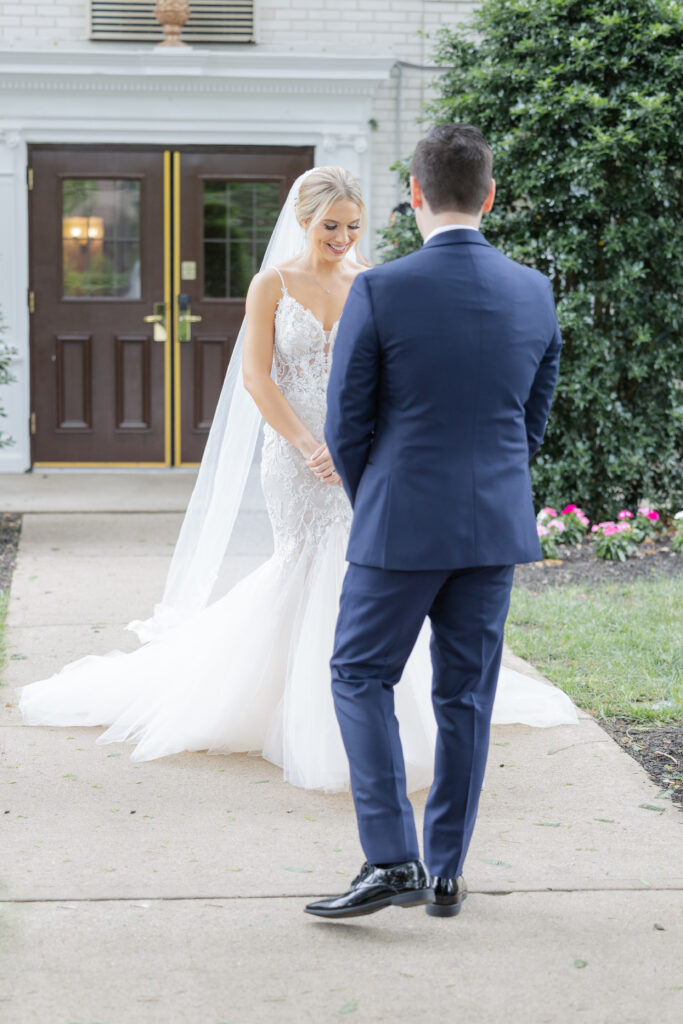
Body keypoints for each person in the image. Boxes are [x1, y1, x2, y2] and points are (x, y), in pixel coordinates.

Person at [18, 163, 576, 794]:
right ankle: (295, 707)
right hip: (295, 453)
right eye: (329, 225)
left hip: (364, 455)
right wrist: (312, 444)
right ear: (304, 221)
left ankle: (358, 710)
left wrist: (357, 447)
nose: (342, 237)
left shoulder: (377, 284)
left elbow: (395, 383)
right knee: (308, 566)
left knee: (353, 573)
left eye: (353, 226)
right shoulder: (272, 284)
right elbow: (257, 376)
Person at [305, 125, 565, 921]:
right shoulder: (534, 290)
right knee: (466, 696)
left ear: (412, 195)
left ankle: (391, 860)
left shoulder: (380, 289)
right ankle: (446, 871)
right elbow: (531, 421)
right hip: (493, 526)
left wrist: (380, 494)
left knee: (357, 673)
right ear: (488, 196)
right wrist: (488, 484)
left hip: (400, 524)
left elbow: (346, 424)